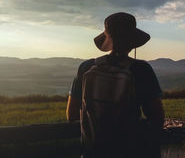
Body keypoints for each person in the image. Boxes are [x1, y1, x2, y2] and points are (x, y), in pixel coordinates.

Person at [66, 12, 165, 158]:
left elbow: (71, 115)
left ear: (108, 39)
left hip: (91, 153)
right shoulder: (141, 70)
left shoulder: (86, 68)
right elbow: (157, 117)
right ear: (132, 42)